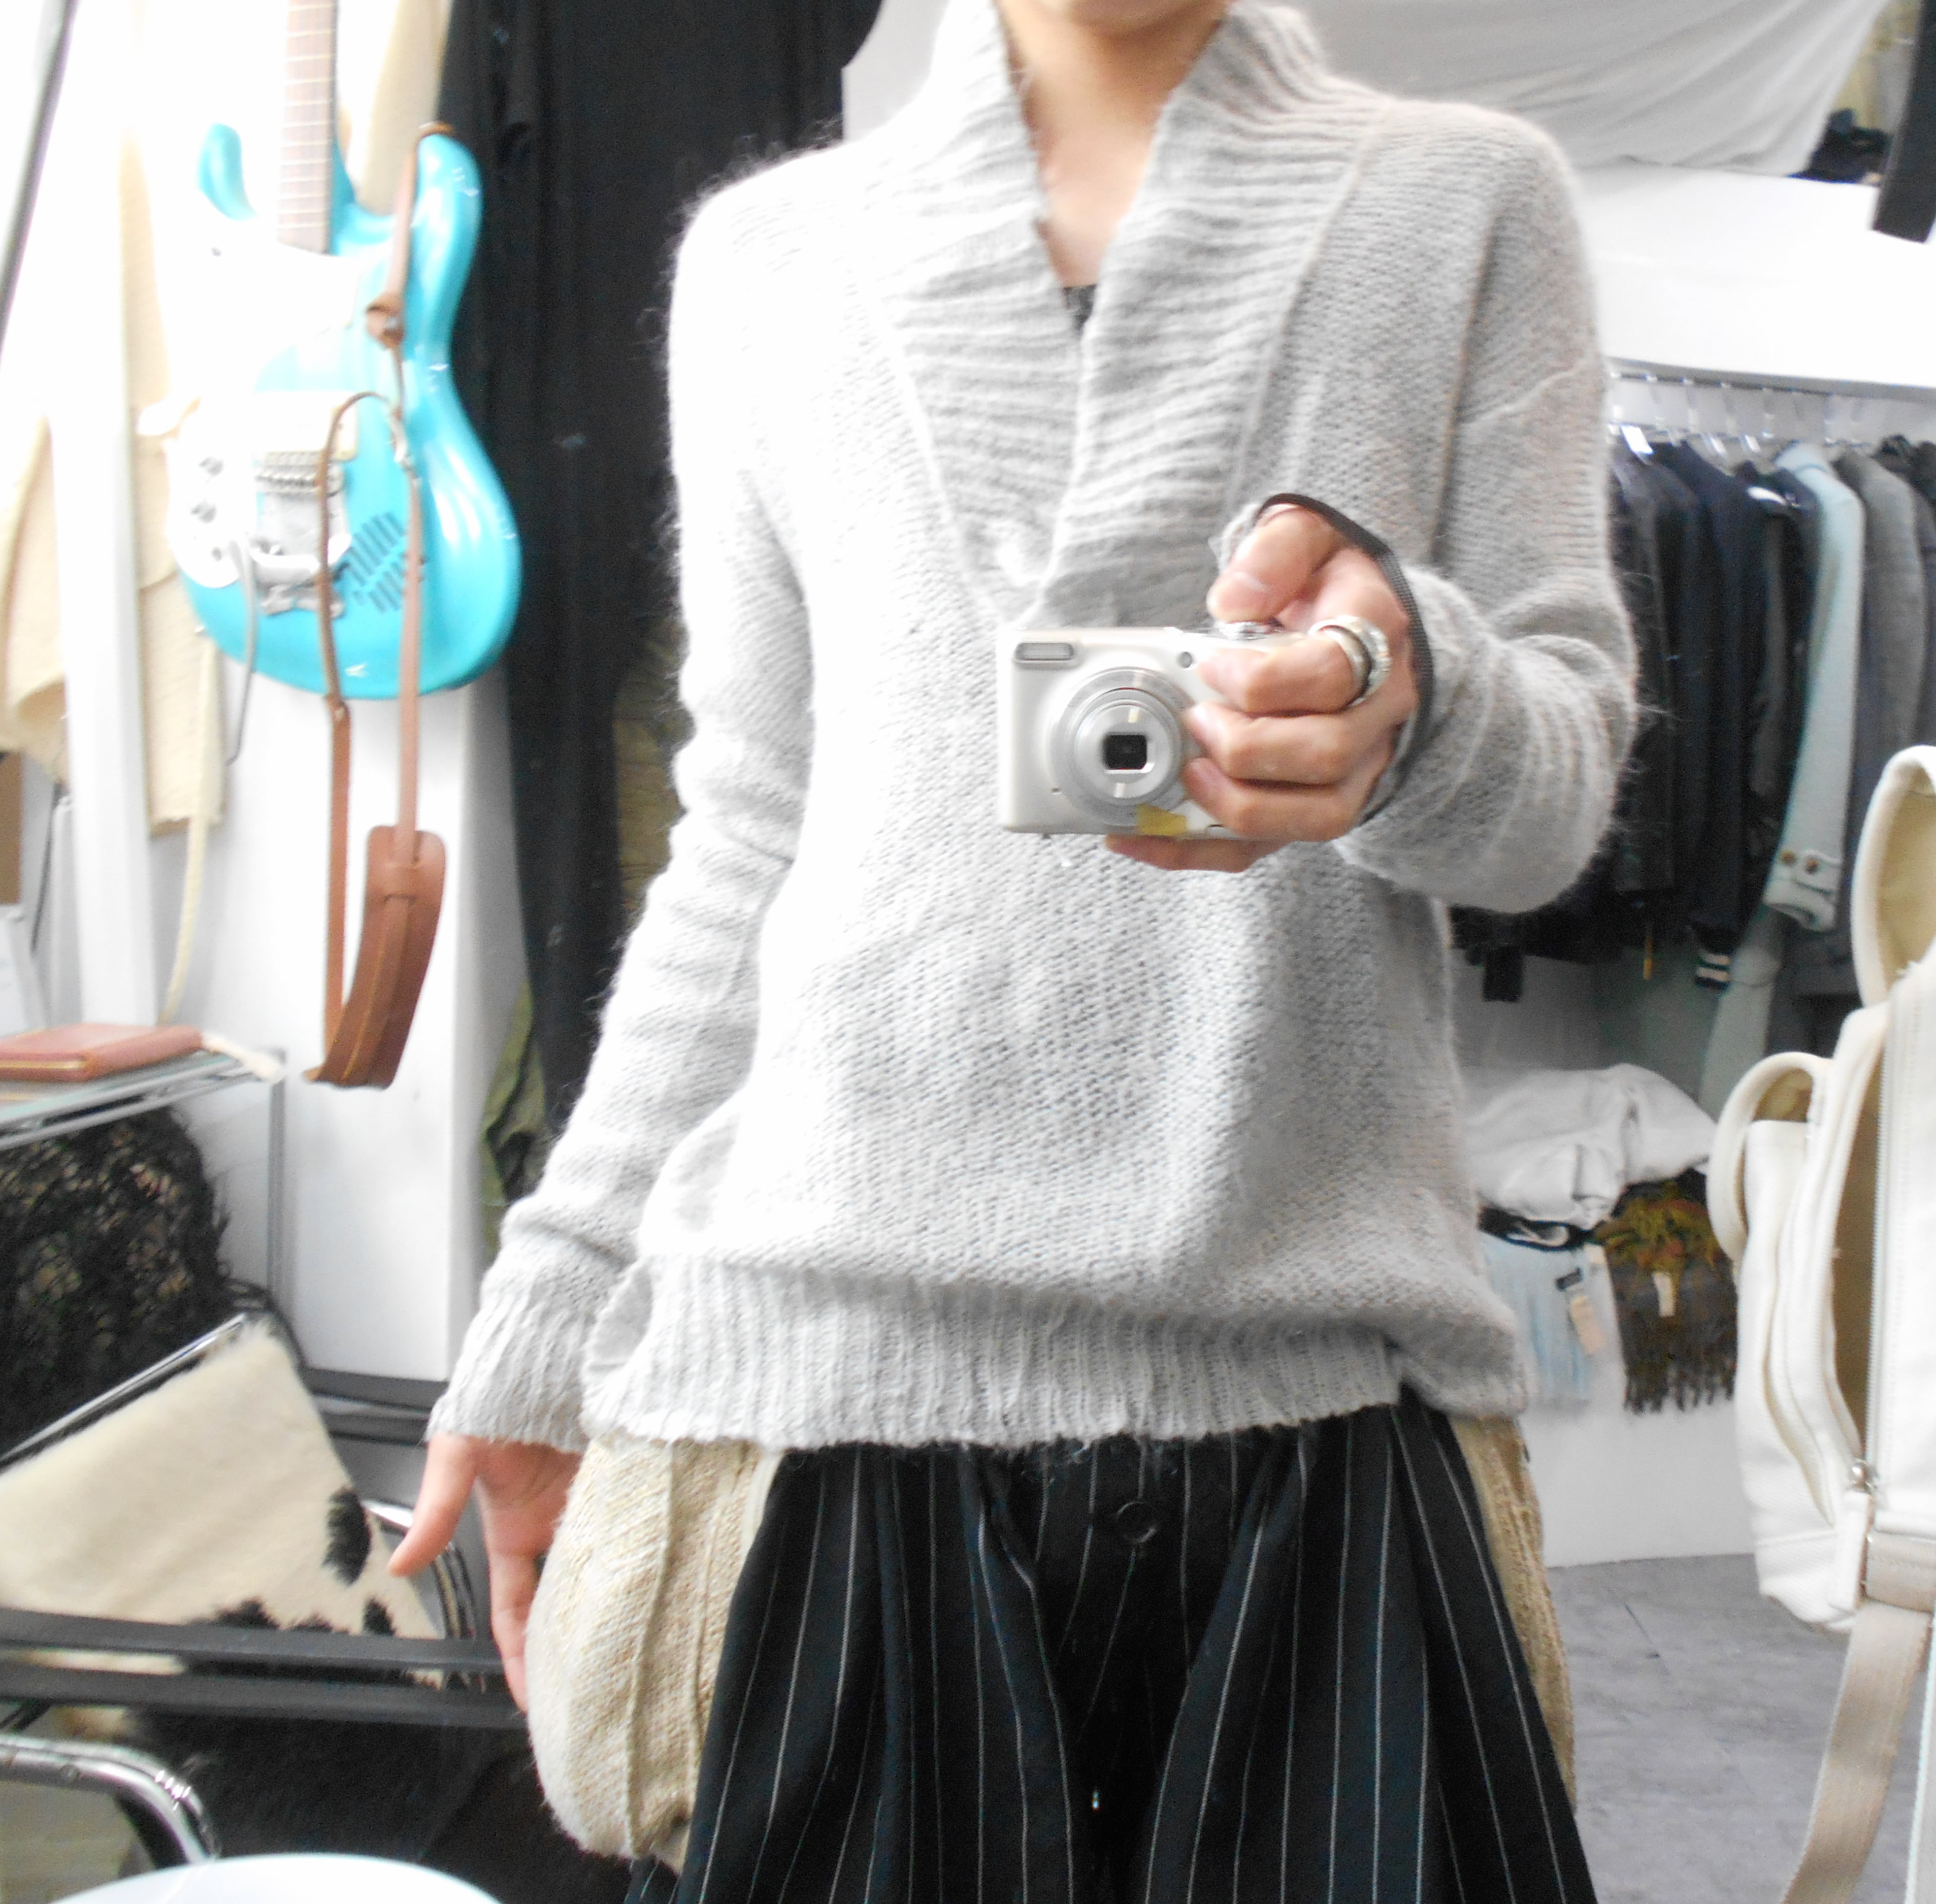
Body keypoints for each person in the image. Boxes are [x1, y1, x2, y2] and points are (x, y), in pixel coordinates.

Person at [394, 0, 1633, 1895]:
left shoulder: (1465, 205)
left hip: (1320, 1395)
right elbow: (748, 832)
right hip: (834, 1404)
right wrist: (551, 1316)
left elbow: (1553, 806)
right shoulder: (769, 258)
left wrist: (1418, 701)